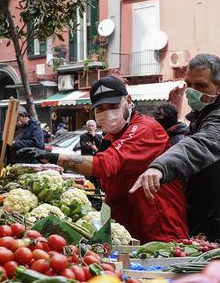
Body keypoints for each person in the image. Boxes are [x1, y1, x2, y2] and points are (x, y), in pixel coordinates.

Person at [20, 76, 188, 242]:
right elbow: (109, 184)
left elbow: (104, 165)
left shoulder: (145, 129)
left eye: (113, 106)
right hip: (128, 231)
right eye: (100, 109)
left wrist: (52, 157)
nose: (107, 112)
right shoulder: (110, 137)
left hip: (159, 229)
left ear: (128, 101)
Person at [130, 54, 220, 243]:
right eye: (189, 85)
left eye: (200, 86)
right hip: (202, 216)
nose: (192, 92)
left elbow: (200, 144)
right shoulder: (202, 113)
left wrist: (160, 167)